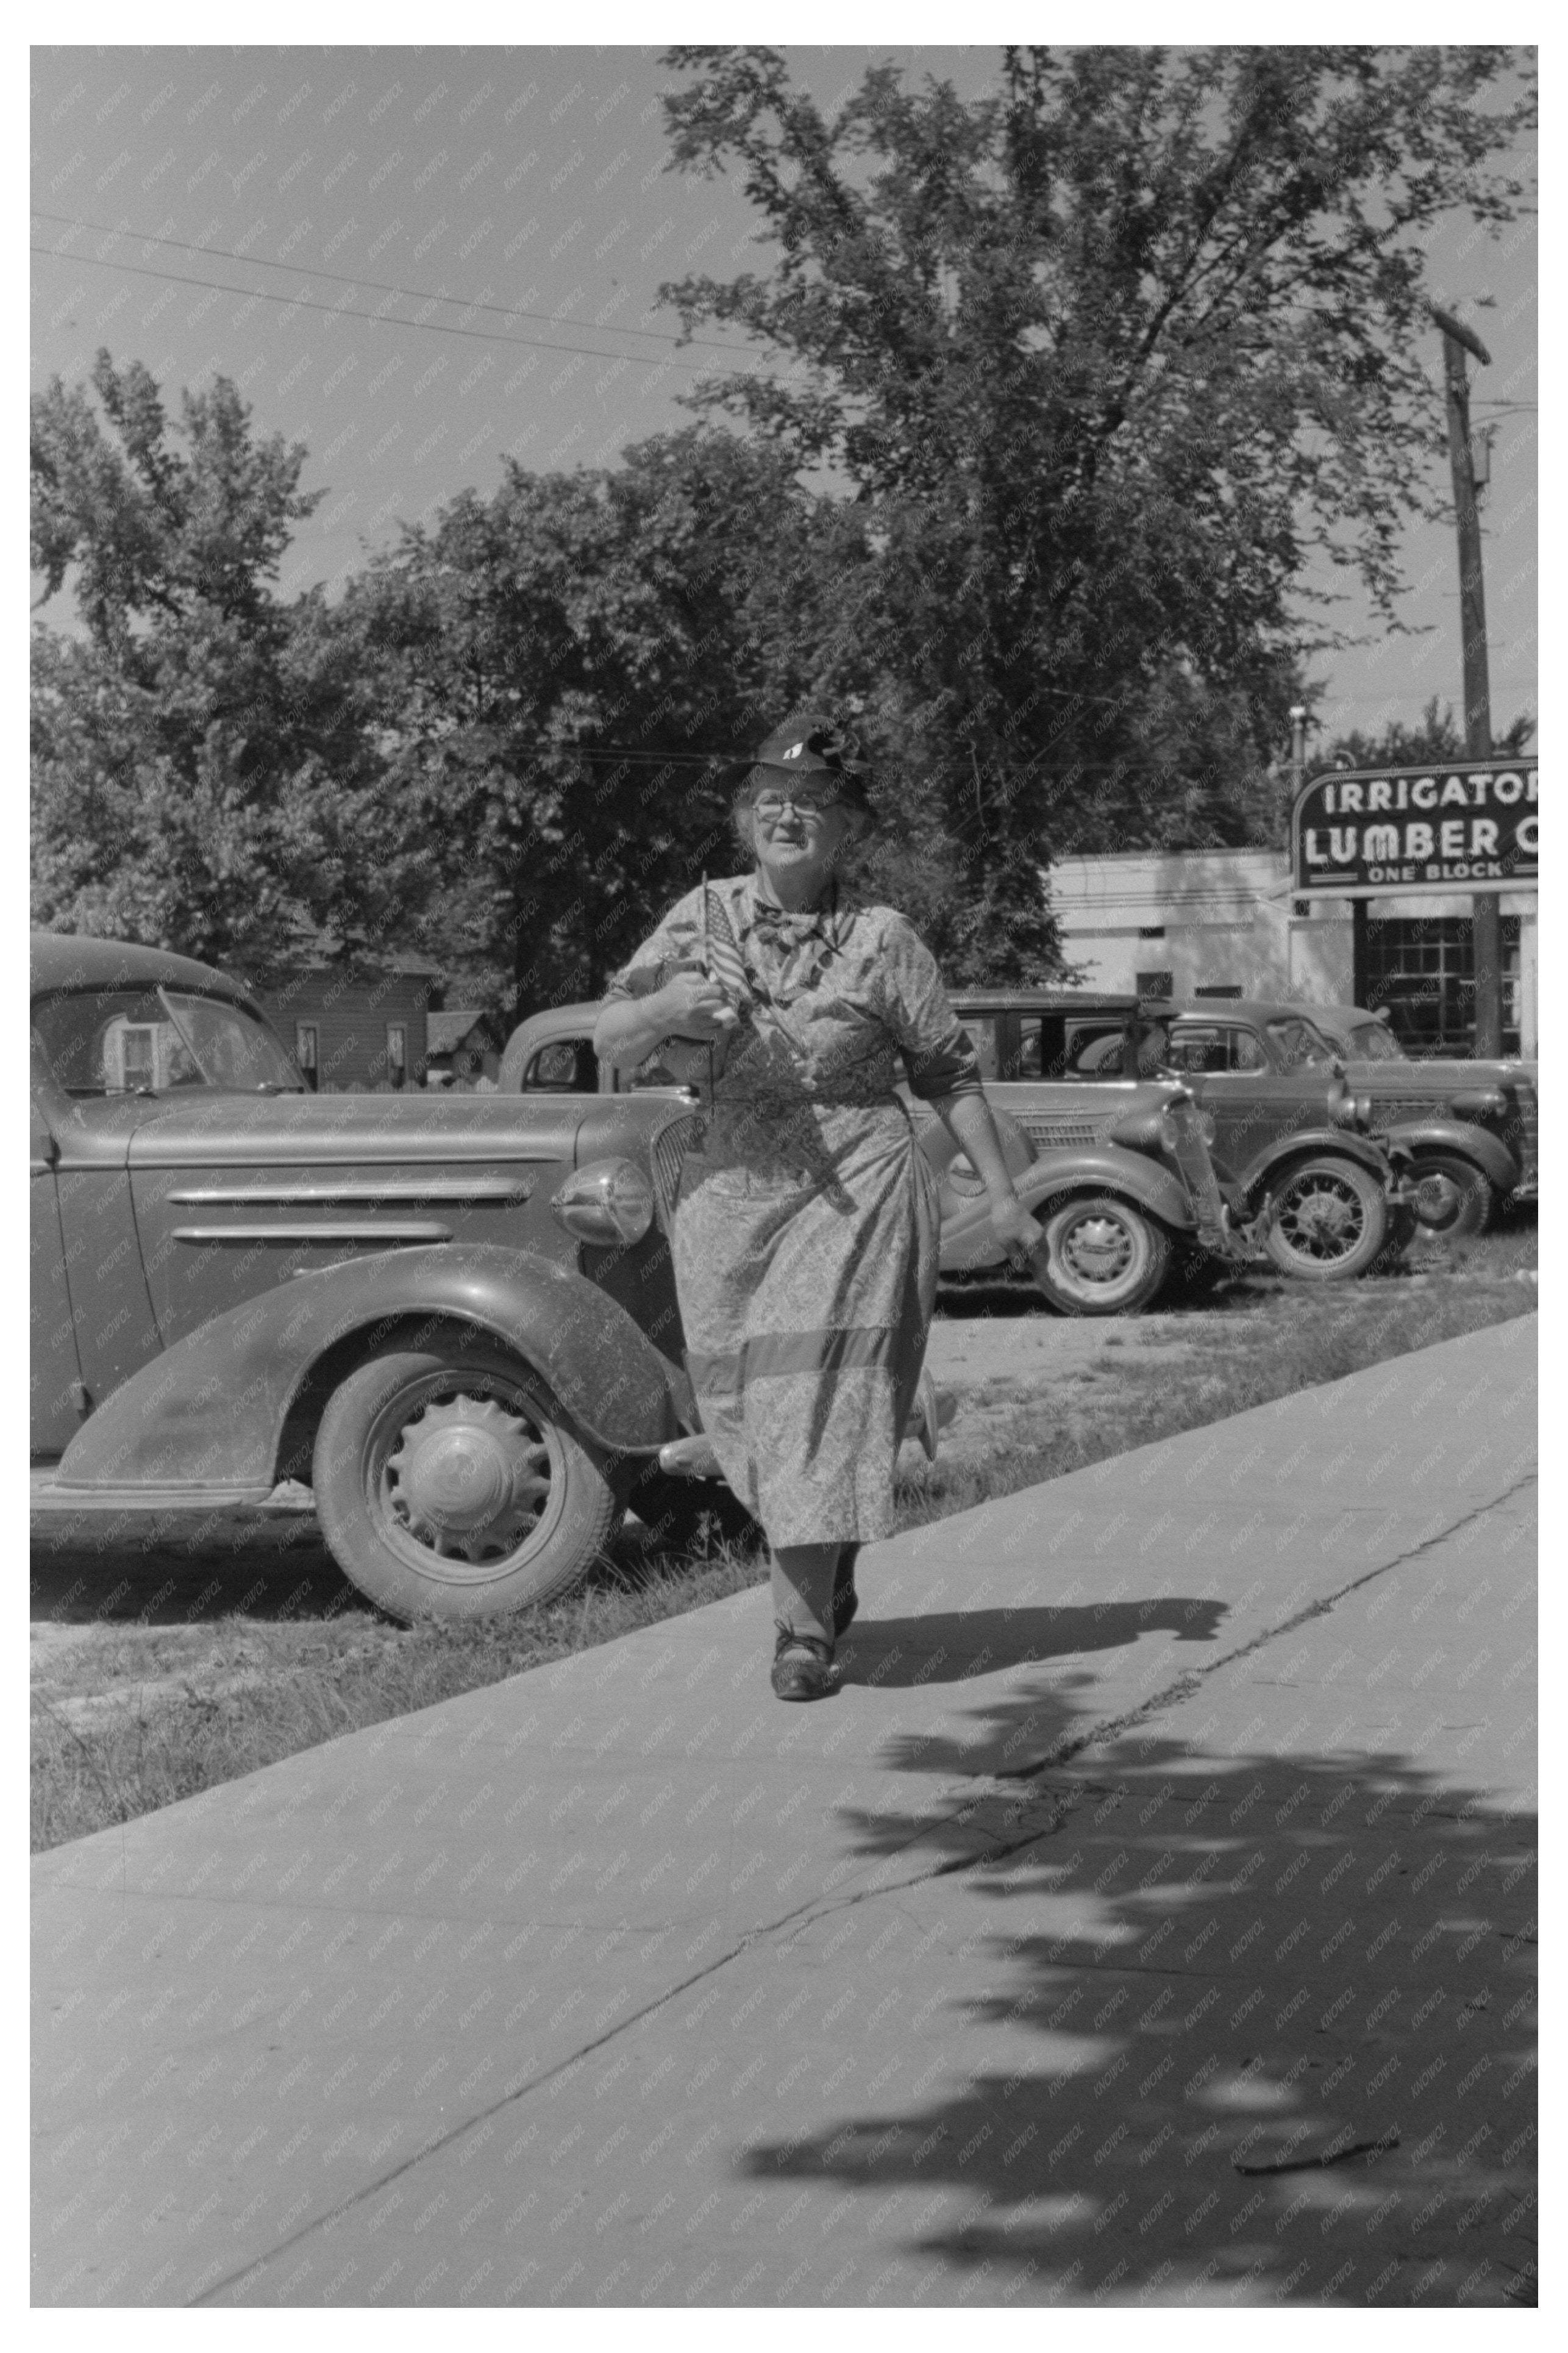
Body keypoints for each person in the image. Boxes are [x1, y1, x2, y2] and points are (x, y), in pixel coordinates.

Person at [593, 715, 1041, 1701]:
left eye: (814, 803)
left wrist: (1003, 1199)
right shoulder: (697, 918)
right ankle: (823, 1568)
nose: (788, 813)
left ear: (848, 829)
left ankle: (800, 1636)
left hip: (857, 1182)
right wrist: (666, 1012)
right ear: (746, 817)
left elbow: (949, 1076)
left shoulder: (885, 941)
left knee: (814, 1398)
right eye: (770, 799)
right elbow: (614, 1036)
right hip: (725, 1190)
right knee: (745, 1411)